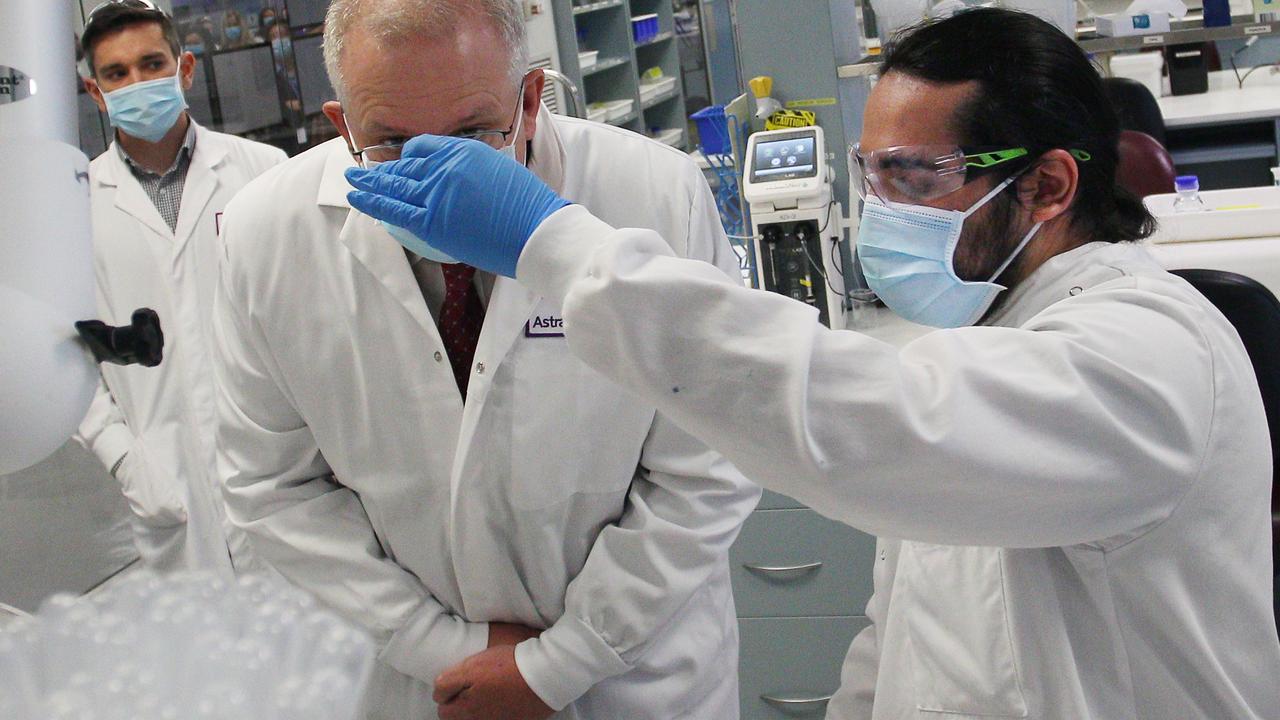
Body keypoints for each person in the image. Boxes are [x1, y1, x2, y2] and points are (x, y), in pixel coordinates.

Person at [346, 8, 1280, 718]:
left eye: (913, 177)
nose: (880, 209)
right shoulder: (980, 339)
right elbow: (909, 628)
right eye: (869, 173)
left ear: (1045, 185)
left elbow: (861, 423)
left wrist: (555, 245)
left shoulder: (1154, 357)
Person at [211, 0, 759, 718]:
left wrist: (564, 663)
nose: (440, 177)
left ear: (531, 101)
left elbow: (708, 464)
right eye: (392, 142)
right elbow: (270, 488)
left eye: (472, 135)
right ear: (341, 126)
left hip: (630, 677)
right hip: (417, 682)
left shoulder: (653, 195)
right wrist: (441, 647)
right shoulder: (264, 235)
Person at [75, 0, 286, 576]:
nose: (137, 82)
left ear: (184, 69)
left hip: (283, 470)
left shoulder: (263, 174)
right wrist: (124, 459)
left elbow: (314, 320)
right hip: (168, 482)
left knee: (314, 648)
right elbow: (64, 356)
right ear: (96, 94)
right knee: (207, 653)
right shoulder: (74, 206)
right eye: (116, 74)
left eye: (151, 64)